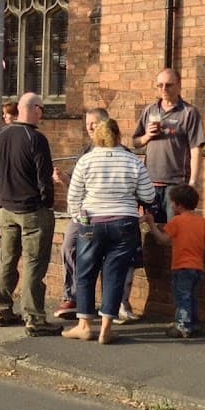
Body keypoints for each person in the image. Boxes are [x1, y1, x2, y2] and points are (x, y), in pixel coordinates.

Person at [63, 119, 155, 345]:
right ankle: (106, 328)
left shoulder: (86, 161)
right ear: (118, 136)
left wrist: (78, 216)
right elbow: (149, 195)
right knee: (115, 275)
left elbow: (73, 196)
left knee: (85, 272)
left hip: (92, 221)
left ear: (98, 136)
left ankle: (84, 325)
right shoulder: (133, 160)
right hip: (125, 222)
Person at [0, 92, 60, 336]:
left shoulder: (2, 136)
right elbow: (45, 178)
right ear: (37, 109)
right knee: (33, 264)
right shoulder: (36, 138)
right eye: (42, 109)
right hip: (32, 210)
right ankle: (35, 318)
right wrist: (47, 204)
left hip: (7, 208)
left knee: (6, 260)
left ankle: (1, 309)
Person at [144, 184, 205, 338]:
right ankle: (194, 324)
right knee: (192, 297)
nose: (171, 205)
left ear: (179, 205)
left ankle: (182, 326)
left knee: (182, 297)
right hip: (197, 268)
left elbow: (163, 240)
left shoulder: (177, 222)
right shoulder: (201, 222)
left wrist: (151, 224)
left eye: (172, 202)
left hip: (181, 267)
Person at [53, 107, 109, 319]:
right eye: (88, 125)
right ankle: (73, 297)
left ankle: (110, 305)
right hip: (84, 213)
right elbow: (77, 186)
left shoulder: (118, 150)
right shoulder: (86, 152)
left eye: (94, 124)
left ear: (105, 123)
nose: (90, 129)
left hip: (106, 214)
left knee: (105, 257)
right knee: (69, 247)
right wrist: (64, 179)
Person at [133, 67, 205, 222]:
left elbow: (196, 148)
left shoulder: (189, 112)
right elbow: (135, 142)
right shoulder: (150, 110)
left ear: (179, 85)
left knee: (174, 229)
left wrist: (193, 182)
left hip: (176, 185)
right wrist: (147, 136)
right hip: (150, 183)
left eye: (168, 85)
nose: (164, 89)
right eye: (160, 85)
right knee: (152, 229)